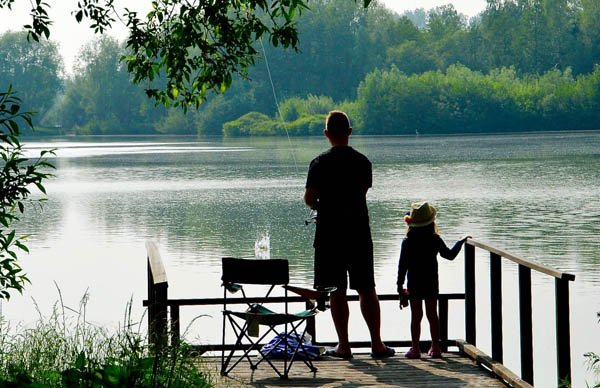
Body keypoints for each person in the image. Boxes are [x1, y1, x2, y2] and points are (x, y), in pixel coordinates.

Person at [304, 110, 394, 359]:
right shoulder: (363, 162)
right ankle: (377, 344)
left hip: (329, 235)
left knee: (337, 290)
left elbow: (310, 199)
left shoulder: (318, 163)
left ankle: (344, 346)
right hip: (358, 232)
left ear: (326, 134)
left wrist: (320, 204)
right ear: (349, 132)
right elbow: (361, 193)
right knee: (367, 288)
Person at [397, 201, 470, 359]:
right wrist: (460, 241)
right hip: (431, 282)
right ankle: (435, 347)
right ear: (431, 222)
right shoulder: (434, 238)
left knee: (416, 317)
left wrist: (399, 286)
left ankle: (415, 349)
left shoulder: (407, 242)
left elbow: (402, 266)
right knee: (432, 315)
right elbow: (449, 255)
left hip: (414, 283)